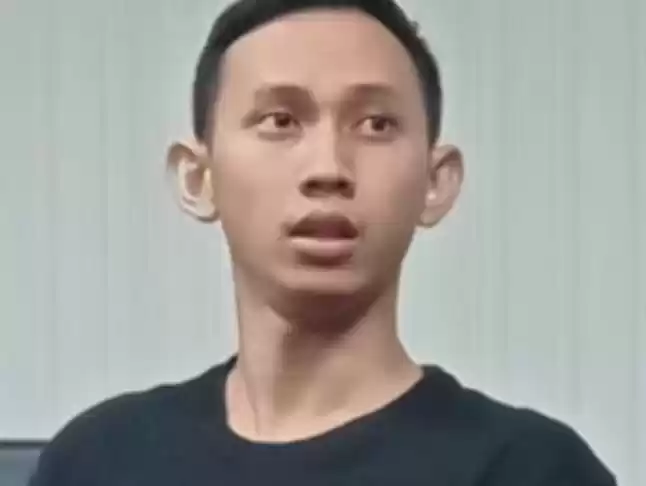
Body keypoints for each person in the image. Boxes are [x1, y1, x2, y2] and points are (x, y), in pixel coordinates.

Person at [30, 0, 617, 484]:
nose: (328, 168)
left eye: (376, 125)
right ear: (197, 177)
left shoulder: (531, 470)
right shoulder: (98, 461)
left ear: (436, 183)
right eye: (280, 121)